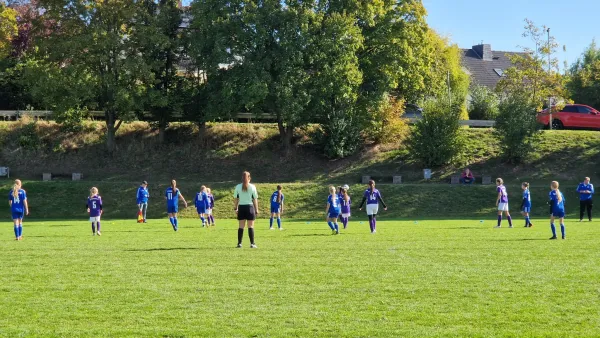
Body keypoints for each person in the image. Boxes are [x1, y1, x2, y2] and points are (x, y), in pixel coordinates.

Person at [234, 171, 259, 248]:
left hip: (241, 207)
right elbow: (255, 199)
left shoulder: (238, 187)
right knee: (250, 226)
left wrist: (235, 208)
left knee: (241, 226)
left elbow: (236, 199)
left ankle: (239, 243)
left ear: (242, 178)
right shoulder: (252, 187)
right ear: (249, 178)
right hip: (250, 207)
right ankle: (252, 243)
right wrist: (256, 209)